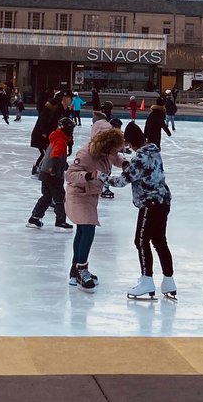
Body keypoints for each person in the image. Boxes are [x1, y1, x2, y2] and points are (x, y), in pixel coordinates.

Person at [108, 121, 177, 300]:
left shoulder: (140, 157)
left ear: (132, 141)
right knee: (160, 240)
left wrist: (102, 178)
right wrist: (127, 165)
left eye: (128, 143)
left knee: (141, 240)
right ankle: (169, 280)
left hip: (150, 203)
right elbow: (140, 171)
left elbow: (124, 181)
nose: (128, 146)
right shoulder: (153, 151)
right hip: (163, 200)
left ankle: (147, 280)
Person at [64, 119, 126, 290]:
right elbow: (69, 175)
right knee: (88, 229)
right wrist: (89, 175)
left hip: (91, 195)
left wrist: (125, 164)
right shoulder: (85, 154)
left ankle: (75, 270)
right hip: (78, 195)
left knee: (82, 231)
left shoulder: (107, 150)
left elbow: (116, 158)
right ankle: (82, 270)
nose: (110, 151)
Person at [27, 117, 74, 229]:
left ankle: (34, 218)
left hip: (45, 172)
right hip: (52, 174)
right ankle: (60, 221)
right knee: (60, 197)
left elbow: (54, 155)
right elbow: (55, 155)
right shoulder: (61, 141)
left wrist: (64, 165)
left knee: (47, 196)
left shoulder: (56, 138)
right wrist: (53, 169)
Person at [30, 91, 70, 174]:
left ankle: (39, 168)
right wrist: (45, 133)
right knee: (45, 152)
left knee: (47, 152)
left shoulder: (58, 108)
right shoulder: (54, 108)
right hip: (41, 135)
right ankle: (38, 168)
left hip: (46, 135)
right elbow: (45, 121)